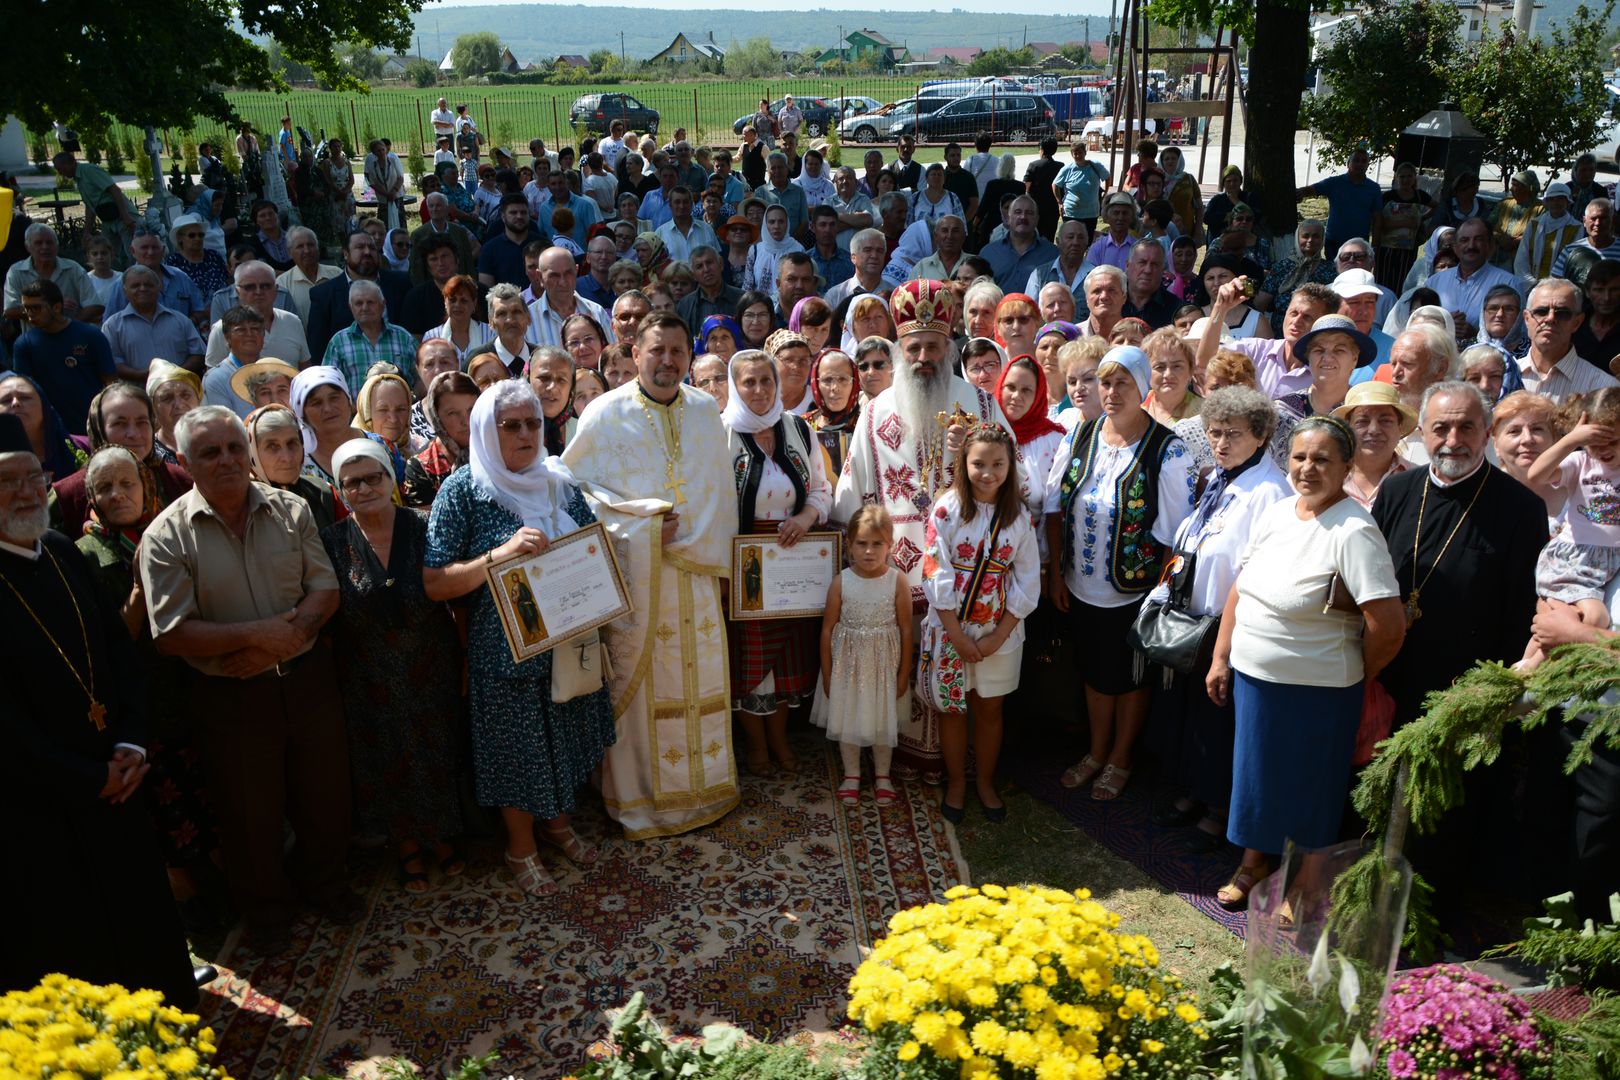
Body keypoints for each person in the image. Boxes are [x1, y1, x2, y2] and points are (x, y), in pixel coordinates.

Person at [138, 405, 359, 954]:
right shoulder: (165, 536)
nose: (228, 460)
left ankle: (327, 886)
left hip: (306, 680)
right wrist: (262, 636)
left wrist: (293, 634)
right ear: (187, 462)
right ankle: (267, 912)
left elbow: (324, 589)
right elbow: (171, 633)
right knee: (248, 811)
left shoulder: (291, 510)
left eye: (236, 448)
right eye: (211, 453)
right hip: (230, 698)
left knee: (324, 794)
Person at [0, 415, 198, 1005]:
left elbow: (119, 652)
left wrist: (131, 743)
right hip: (40, 802)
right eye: (8, 482)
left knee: (142, 923)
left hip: (119, 770)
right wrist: (88, 777)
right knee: (71, 937)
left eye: (33, 478)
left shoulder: (61, 550)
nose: (26, 493)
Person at [1205, 415, 1405, 912]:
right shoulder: (1278, 511)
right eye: (1299, 457)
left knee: (1310, 791)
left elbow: (1388, 624)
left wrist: (1356, 674)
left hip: (1320, 690)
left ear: (1345, 466)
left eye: (1322, 459)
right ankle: (1254, 865)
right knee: (1257, 780)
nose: (1308, 468)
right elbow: (1241, 586)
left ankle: (1305, 885)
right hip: (1256, 679)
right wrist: (1221, 655)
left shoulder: (1355, 529)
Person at [422, 381, 614, 893]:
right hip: (505, 654)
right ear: (487, 431)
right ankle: (520, 848)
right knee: (518, 752)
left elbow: (593, 545)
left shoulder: (558, 481)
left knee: (565, 739)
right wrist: (498, 557)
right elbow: (435, 582)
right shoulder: (464, 489)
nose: (526, 433)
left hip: (567, 642)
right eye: (511, 425)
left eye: (533, 423)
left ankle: (558, 826)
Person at [561, 311, 741, 837]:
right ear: (634, 354)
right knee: (643, 691)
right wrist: (639, 533)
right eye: (656, 350)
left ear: (690, 356)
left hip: (698, 575)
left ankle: (706, 790)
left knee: (702, 678)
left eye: (677, 352)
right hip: (638, 580)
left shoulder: (708, 411)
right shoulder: (602, 414)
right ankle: (640, 799)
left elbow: (718, 493)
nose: (667, 361)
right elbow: (578, 498)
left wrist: (705, 551)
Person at [1046, 345, 1196, 800]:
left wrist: (1159, 596)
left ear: (1142, 386)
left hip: (1136, 590)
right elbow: (1054, 505)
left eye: (1122, 383)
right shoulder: (1081, 435)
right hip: (1079, 583)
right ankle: (1096, 751)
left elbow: (1177, 534)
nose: (1110, 392)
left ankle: (1122, 757)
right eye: (1104, 382)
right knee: (1094, 671)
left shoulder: (1167, 451)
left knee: (1131, 678)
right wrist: (1056, 572)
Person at [1150, 386, 1291, 855]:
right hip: (1193, 620)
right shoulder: (1222, 477)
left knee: (1221, 718)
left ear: (1261, 435)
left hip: (1229, 627)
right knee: (1196, 718)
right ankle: (1193, 791)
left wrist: (1224, 648)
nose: (1221, 442)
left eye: (1233, 433)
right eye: (1214, 433)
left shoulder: (1270, 491)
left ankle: (1217, 809)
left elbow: (1254, 569)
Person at [321, 438, 464, 892]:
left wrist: (463, 658)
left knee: (437, 752)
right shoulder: (331, 542)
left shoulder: (423, 526)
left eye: (373, 477)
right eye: (352, 482)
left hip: (430, 663)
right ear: (340, 491)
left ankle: (440, 837)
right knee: (387, 759)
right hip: (369, 676)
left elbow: (453, 595)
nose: (364, 489)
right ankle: (406, 847)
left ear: (391, 479)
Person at [1372, 382, 1548, 726]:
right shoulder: (1395, 491)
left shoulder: (1522, 508)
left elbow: (1521, 611)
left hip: (1465, 693)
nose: (1453, 441)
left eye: (1466, 427)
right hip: (1389, 677)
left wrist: (1495, 694)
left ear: (1486, 434)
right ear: (1422, 433)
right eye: (1441, 428)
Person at [917, 423, 1038, 823]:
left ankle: (984, 781)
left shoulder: (1019, 516)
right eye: (979, 464)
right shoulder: (946, 509)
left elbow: (1026, 578)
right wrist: (956, 635)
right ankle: (956, 781)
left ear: (1010, 465)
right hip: (951, 630)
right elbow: (935, 569)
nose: (989, 473)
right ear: (963, 463)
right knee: (953, 710)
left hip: (999, 633)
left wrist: (997, 636)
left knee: (989, 710)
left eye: (998, 464)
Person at [721, 348, 832, 773]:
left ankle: (781, 737)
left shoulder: (799, 430)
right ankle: (757, 746)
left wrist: (805, 518)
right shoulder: (720, 436)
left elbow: (822, 489)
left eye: (766, 380)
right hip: (745, 563)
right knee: (751, 659)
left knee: (786, 656)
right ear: (735, 386)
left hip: (793, 557)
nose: (759, 390)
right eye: (748, 382)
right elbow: (712, 506)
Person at [810, 504, 912, 806]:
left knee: (882, 718)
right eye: (862, 543)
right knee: (849, 717)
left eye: (877, 544)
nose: (869, 551)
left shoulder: (897, 581)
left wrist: (904, 672)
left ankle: (883, 775)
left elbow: (907, 630)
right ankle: (851, 774)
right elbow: (827, 629)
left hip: (884, 665)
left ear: (890, 546)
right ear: (849, 545)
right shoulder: (842, 581)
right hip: (848, 665)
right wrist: (828, 673)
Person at [1518, 388, 1620, 670]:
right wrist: (1572, 441)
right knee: (1595, 618)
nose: (1603, 451)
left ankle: (1526, 668)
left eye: (1612, 441)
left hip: (1605, 564)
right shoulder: (1581, 462)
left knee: (1569, 619)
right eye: (1594, 443)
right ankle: (1529, 667)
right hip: (1574, 558)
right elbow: (1536, 474)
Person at [51, 381, 193, 538]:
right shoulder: (67, 497)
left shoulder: (182, 482)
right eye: (120, 423)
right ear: (99, 429)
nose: (133, 434)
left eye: (142, 423)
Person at [11, 280, 115, 437]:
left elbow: (110, 383)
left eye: (36, 308)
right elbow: (25, 391)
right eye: (27, 309)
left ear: (57, 307)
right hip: (51, 430)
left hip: (92, 426)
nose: (30, 315)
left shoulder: (90, 335)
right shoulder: (24, 344)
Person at [244, 403, 342, 531]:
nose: (287, 458)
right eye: (272, 446)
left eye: (292, 443)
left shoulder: (323, 494)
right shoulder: (241, 507)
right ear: (252, 452)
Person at [1518, 276, 1615, 402]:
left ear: (1577, 323)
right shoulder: (1501, 377)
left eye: (1562, 313)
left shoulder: (1604, 388)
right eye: (1541, 311)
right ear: (1526, 319)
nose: (1550, 318)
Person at [1297, 148, 1383, 255]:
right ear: (1348, 163)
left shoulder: (1373, 188)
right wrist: (1298, 193)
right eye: (1356, 160)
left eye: (1364, 161)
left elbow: (1377, 219)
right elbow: (1312, 189)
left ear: (1367, 165)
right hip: (1334, 242)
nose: (1360, 164)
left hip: (1359, 244)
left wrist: (1374, 246)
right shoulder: (1334, 183)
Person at [1492, 390, 1562, 513]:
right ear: (1496, 445)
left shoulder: (1580, 486)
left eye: (1537, 429)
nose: (1527, 439)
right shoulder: (1482, 494)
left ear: (1556, 439)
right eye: (1514, 431)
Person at [1516, 182, 1582, 282]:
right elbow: (1521, 258)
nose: (1556, 203)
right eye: (1551, 199)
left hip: (1560, 285)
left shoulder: (1576, 227)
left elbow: (1573, 262)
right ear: (1546, 202)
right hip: (1531, 285)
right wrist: (1531, 283)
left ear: (1568, 202)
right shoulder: (1534, 224)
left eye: (1560, 199)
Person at [1142, 327, 1202, 424]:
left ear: (1190, 370)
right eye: (1160, 367)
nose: (1168, 374)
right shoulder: (1135, 407)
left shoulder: (1205, 413)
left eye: (1177, 366)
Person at [1052, 141, 1110, 234]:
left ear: (1085, 152)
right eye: (1075, 153)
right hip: (1071, 213)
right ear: (1072, 155)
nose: (1078, 155)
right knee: (1072, 239)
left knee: (1088, 239)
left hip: (1091, 213)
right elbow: (1055, 184)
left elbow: (1107, 177)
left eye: (1080, 153)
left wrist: (1105, 192)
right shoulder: (1067, 169)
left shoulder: (1095, 165)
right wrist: (1059, 202)